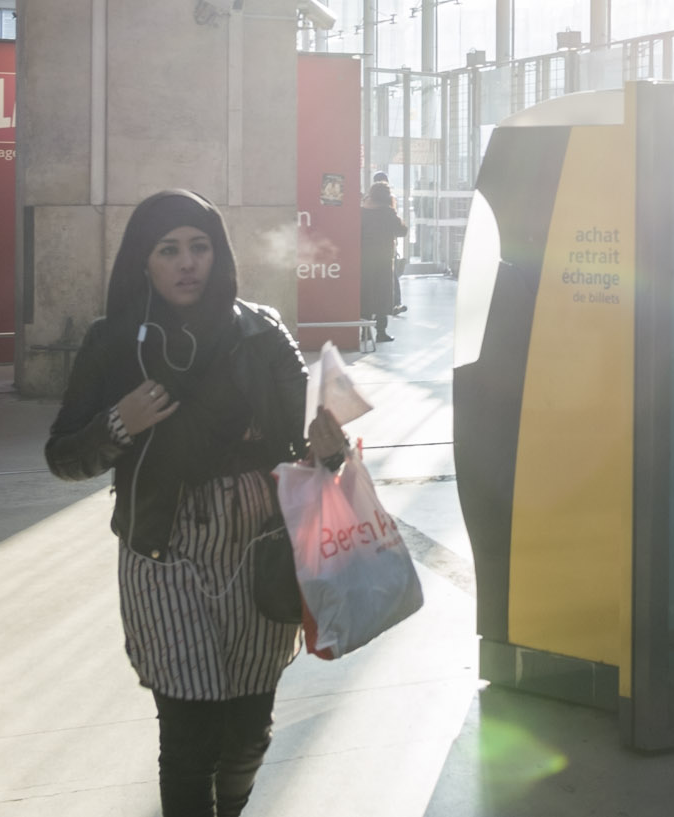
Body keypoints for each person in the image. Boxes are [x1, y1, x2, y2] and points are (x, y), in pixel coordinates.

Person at [44, 190, 348, 817]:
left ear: (219, 254)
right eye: (169, 249)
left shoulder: (262, 331)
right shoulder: (114, 343)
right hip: (163, 551)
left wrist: (328, 452)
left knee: (248, 728)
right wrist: (117, 424)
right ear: (144, 262)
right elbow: (63, 456)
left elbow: (305, 449)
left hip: (260, 550)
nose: (188, 263)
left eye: (200, 247)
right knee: (189, 735)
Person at [359, 182, 408, 342]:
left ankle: (365, 333)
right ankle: (381, 332)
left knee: (365, 295)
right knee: (382, 295)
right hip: (384, 260)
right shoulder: (387, 212)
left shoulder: (362, 211)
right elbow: (402, 231)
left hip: (364, 259)